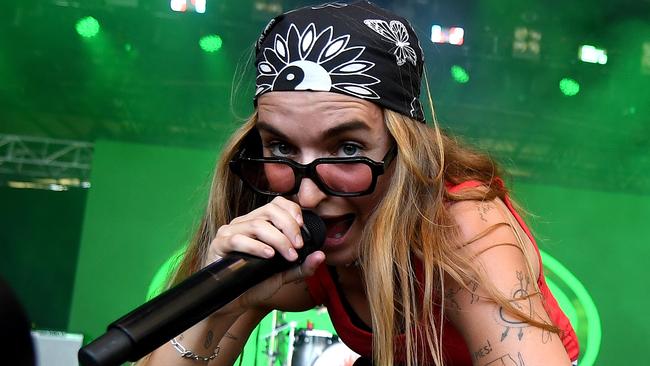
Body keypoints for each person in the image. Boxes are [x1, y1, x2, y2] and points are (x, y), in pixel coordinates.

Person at [138, 1, 579, 365]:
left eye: (348, 149)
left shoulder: (464, 229)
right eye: (281, 148)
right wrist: (217, 301)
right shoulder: (278, 233)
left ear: (405, 153)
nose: (307, 193)